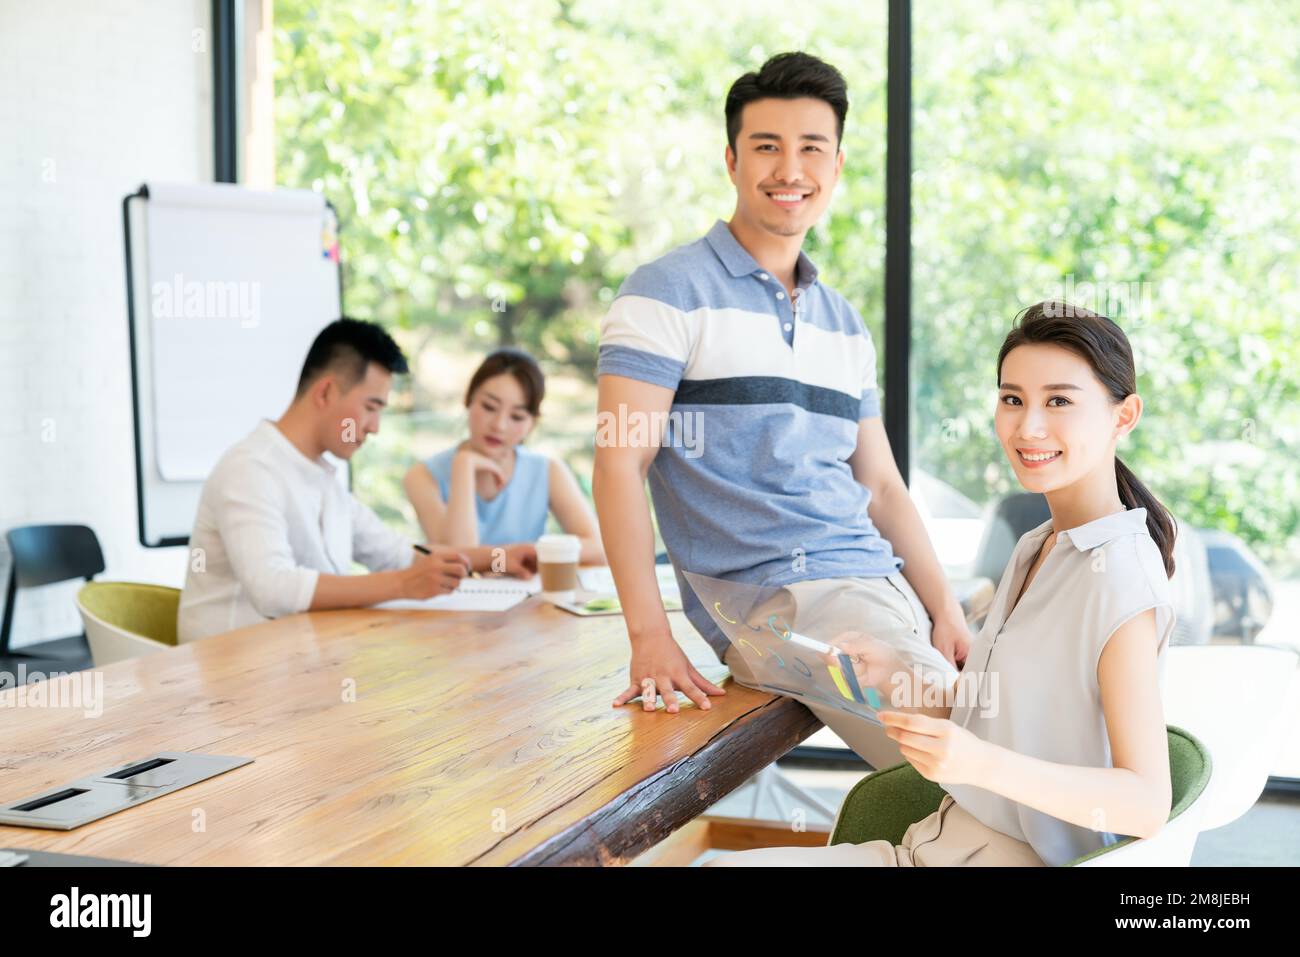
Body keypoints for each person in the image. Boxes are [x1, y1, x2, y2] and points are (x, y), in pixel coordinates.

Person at [593, 51, 968, 769]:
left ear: (837, 165)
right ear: (732, 160)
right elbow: (619, 463)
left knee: (1022, 722)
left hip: (878, 583)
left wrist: (945, 605)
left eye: (811, 148)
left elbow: (883, 488)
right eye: (767, 147)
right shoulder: (665, 291)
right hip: (779, 607)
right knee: (965, 747)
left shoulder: (843, 321)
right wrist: (649, 633)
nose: (789, 169)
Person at [707, 301, 1177, 866]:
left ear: (1123, 416)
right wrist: (895, 675)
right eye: (1012, 399)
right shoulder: (1039, 547)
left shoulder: (1119, 576)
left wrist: (979, 764)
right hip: (934, 844)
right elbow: (1006, 716)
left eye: (1059, 401)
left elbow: (1146, 803)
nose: (1028, 426)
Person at [178, 318, 527, 643]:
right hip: (234, 675)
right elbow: (273, 587)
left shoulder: (321, 476)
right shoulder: (251, 468)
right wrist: (404, 584)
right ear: (326, 392)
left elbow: (397, 554)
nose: (375, 427)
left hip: (297, 662)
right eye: (371, 407)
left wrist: (498, 557)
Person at [404, 347, 604, 564]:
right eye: (489, 407)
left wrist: (529, 554)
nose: (499, 425)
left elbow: (599, 549)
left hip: (532, 596)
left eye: (517, 417)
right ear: (468, 401)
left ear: (532, 424)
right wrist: (464, 465)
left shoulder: (547, 471)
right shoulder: (422, 476)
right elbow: (459, 558)